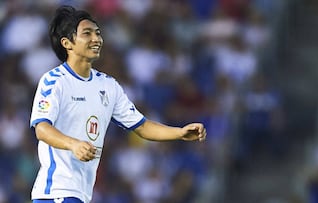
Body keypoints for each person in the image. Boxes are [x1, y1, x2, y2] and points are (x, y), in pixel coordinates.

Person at [29, 5, 206, 203]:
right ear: (67, 43)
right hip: (56, 192)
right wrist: (73, 144)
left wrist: (179, 133)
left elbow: (142, 126)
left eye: (98, 33)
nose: (96, 39)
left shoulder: (108, 86)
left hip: (80, 194)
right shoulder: (55, 81)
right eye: (87, 34)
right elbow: (42, 129)